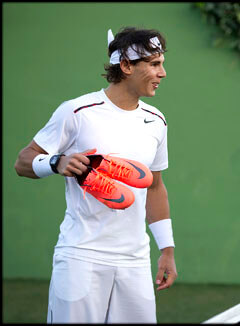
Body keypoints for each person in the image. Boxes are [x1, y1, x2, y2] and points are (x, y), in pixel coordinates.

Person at [14, 26, 177, 323]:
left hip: (135, 261)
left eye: (162, 63)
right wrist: (56, 162)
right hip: (81, 257)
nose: (162, 72)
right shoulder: (77, 111)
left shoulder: (157, 121)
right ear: (126, 66)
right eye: (154, 64)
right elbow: (23, 161)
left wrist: (166, 249)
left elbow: (154, 187)